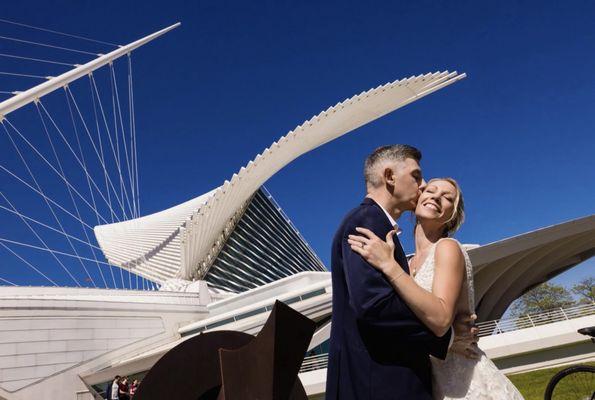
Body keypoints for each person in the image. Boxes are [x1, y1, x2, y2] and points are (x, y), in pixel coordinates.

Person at [349, 177, 524, 399]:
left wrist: (388, 265)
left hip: (463, 381)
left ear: (453, 214)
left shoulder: (447, 247)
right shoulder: (408, 263)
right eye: (430, 190)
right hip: (428, 379)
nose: (436, 197)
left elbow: (441, 319)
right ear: (418, 200)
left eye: (447, 197)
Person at [325, 145, 478, 400]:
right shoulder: (368, 222)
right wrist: (447, 338)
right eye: (417, 177)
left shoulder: (383, 230)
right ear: (389, 177)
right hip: (380, 383)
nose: (423, 185)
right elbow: (374, 305)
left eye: (448, 197)